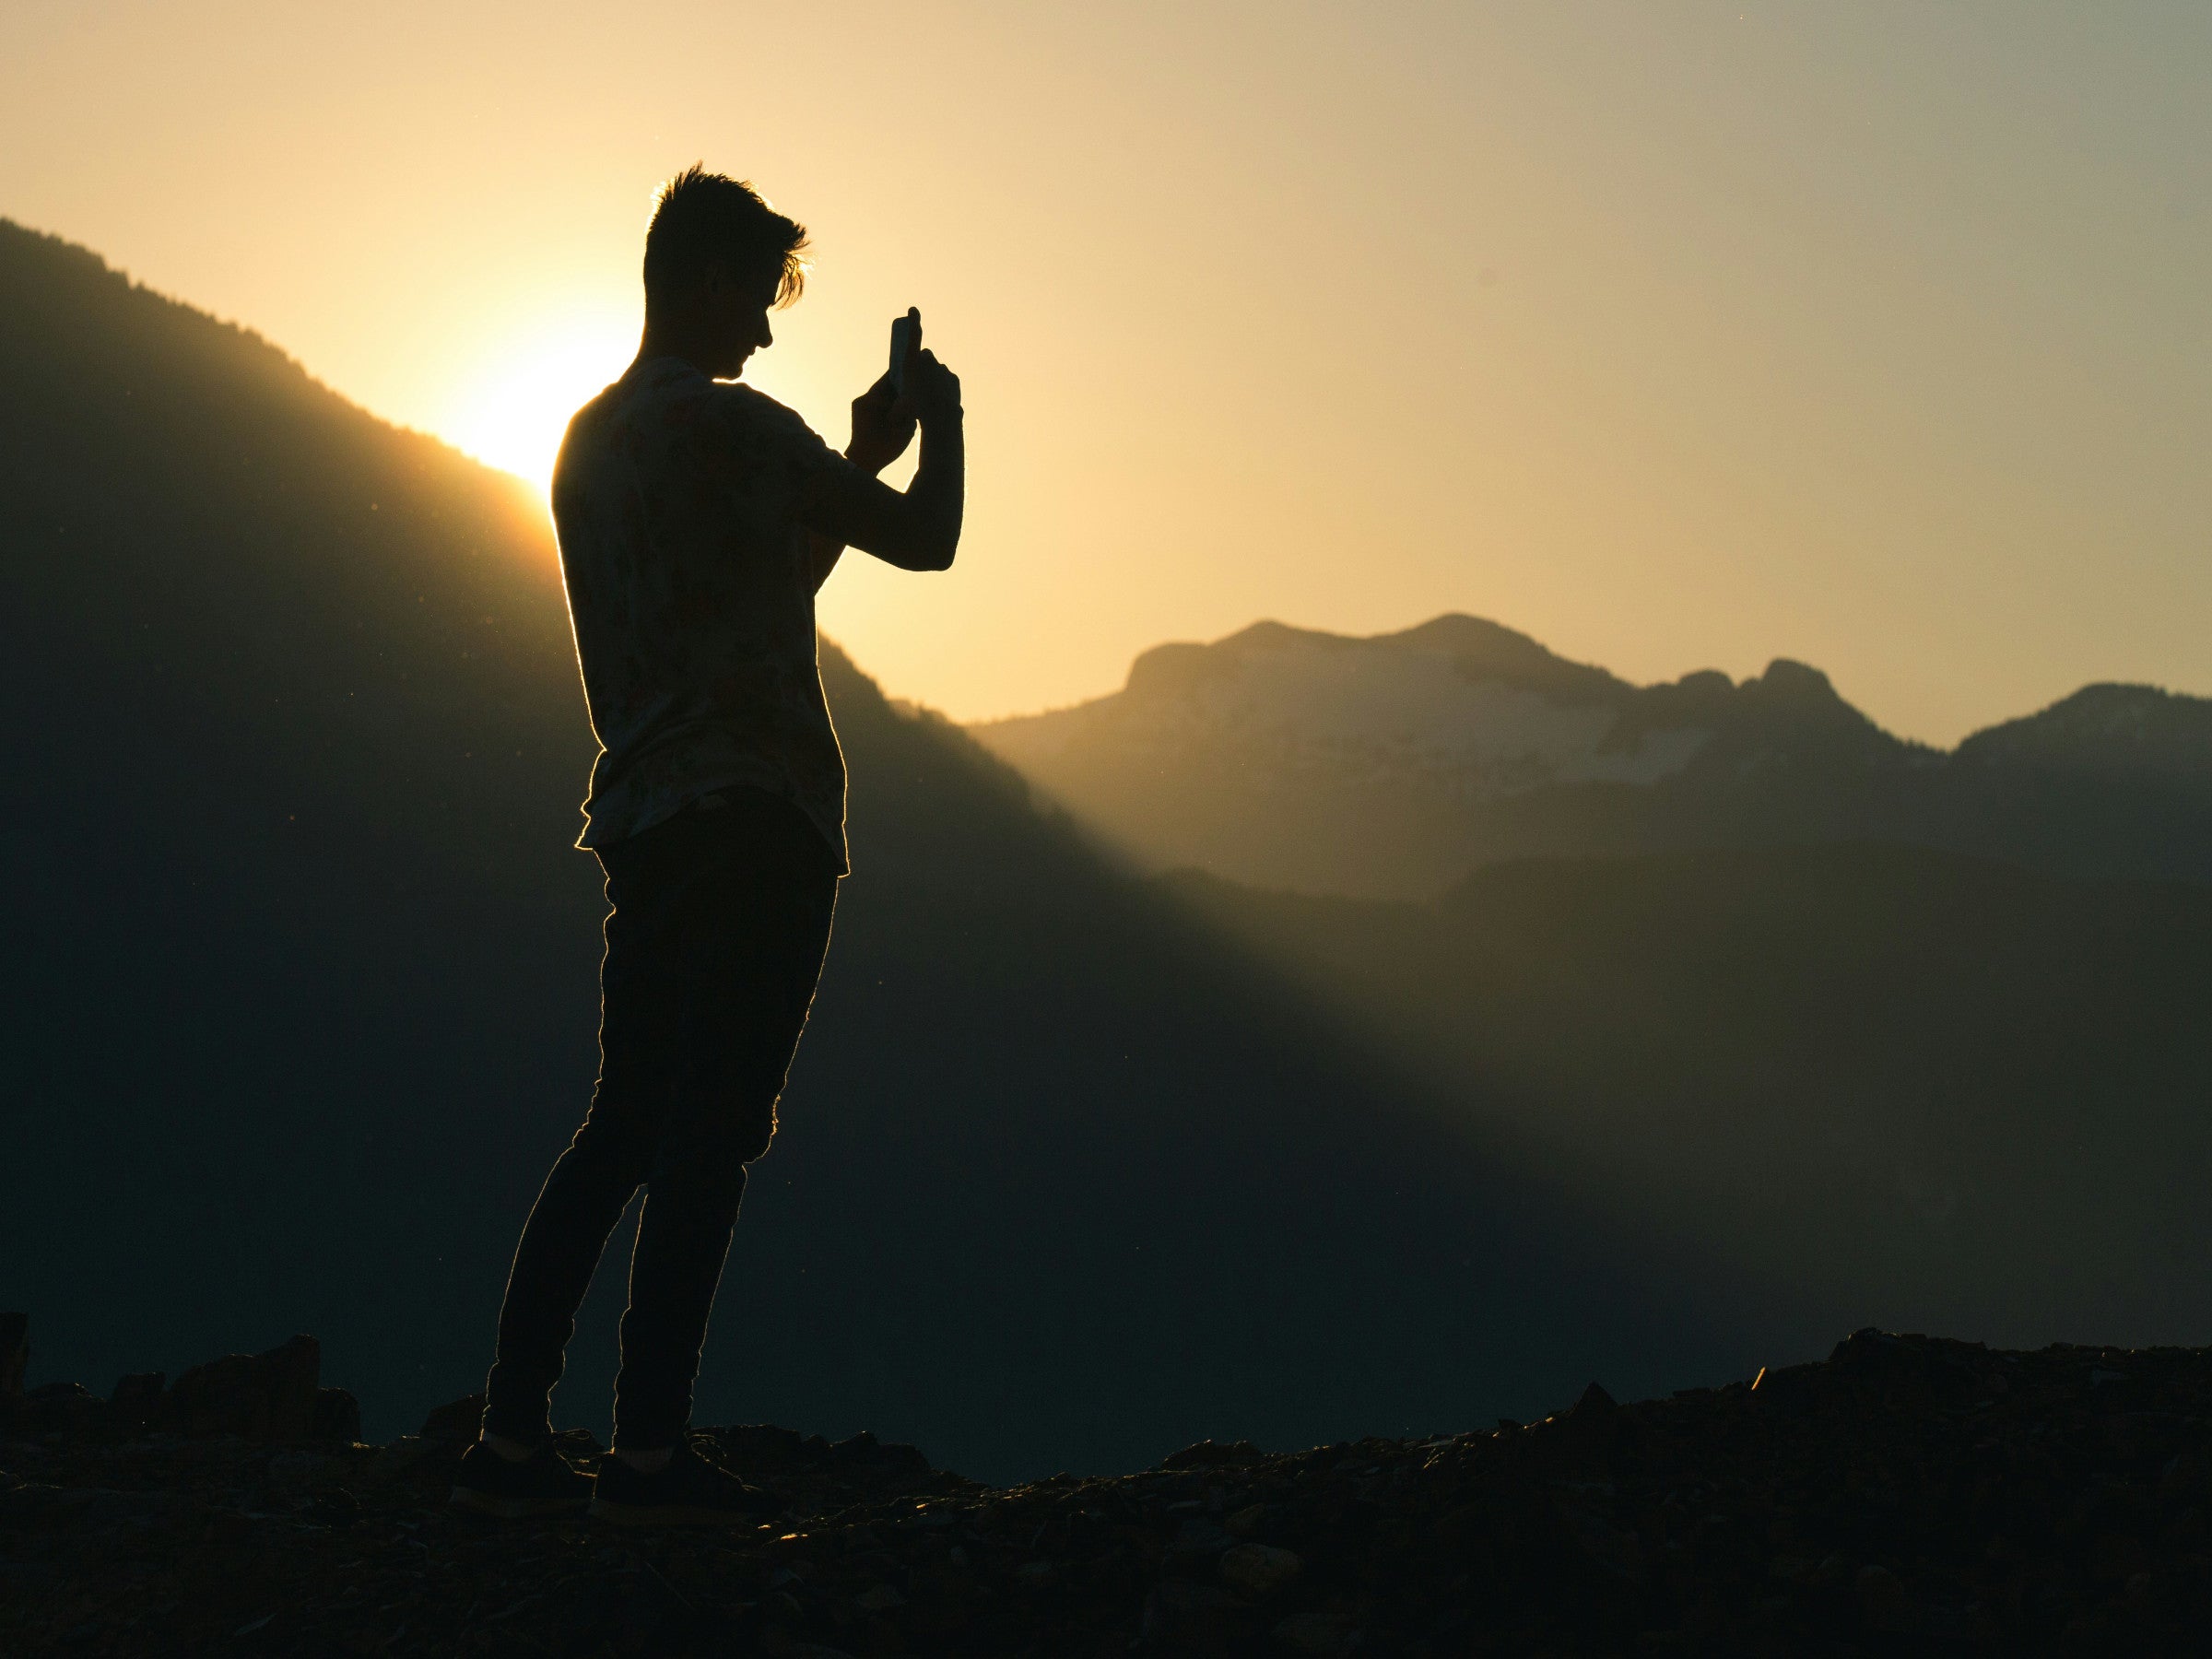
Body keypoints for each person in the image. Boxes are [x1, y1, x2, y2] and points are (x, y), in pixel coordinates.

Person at [449, 166, 963, 1525]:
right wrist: (941, 428)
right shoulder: (737, 429)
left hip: (643, 820)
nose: (770, 331)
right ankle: (651, 1452)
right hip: (761, 819)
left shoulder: (581, 442)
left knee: (620, 1124)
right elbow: (932, 542)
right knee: (711, 1135)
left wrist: (844, 463)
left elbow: (754, 587)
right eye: (764, 294)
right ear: (708, 281)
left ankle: (510, 1430)